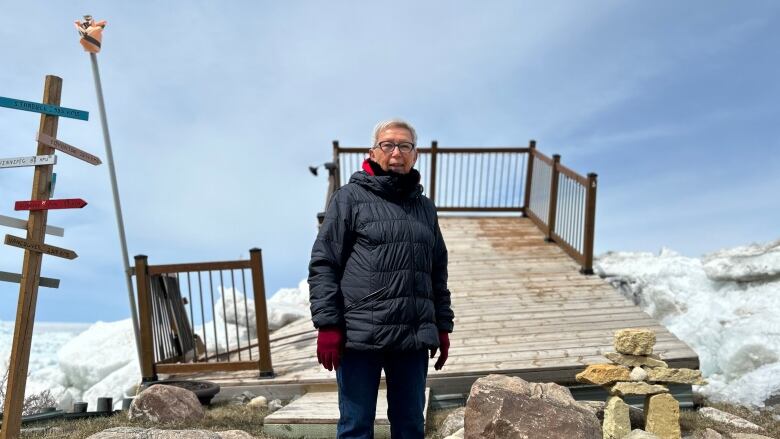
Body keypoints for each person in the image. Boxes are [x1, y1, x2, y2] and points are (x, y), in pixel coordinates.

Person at [308, 119, 454, 438]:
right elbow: (324, 263)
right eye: (387, 145)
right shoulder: (349, 198)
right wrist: (328, 325)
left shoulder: (425, 208)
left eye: (405, 146)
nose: (396, 152)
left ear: (415, 155)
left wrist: (442, 326)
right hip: (360, 335)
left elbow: (437, 272)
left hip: (412, 337)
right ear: (373, 152)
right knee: (356, 427)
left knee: (411, 426)